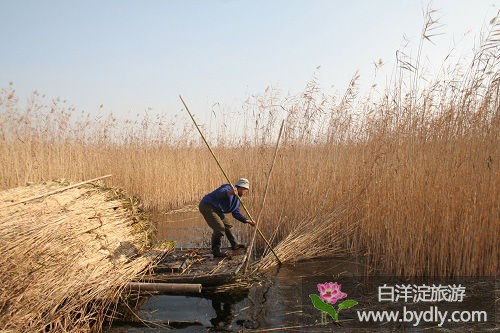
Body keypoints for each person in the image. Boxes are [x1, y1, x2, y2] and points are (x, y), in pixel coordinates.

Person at [199, 178, 256, 258]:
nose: (245, 192)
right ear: (240, 188)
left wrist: (248, 221)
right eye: (245, 190)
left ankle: (235, 245)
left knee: (228, 225)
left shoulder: (238, 199)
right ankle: (216, 251)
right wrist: (230, 193)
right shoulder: (229, 187)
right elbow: (218, 193)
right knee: (219, 228)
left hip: (216, 209)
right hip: (207, 206)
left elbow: (236, 213)